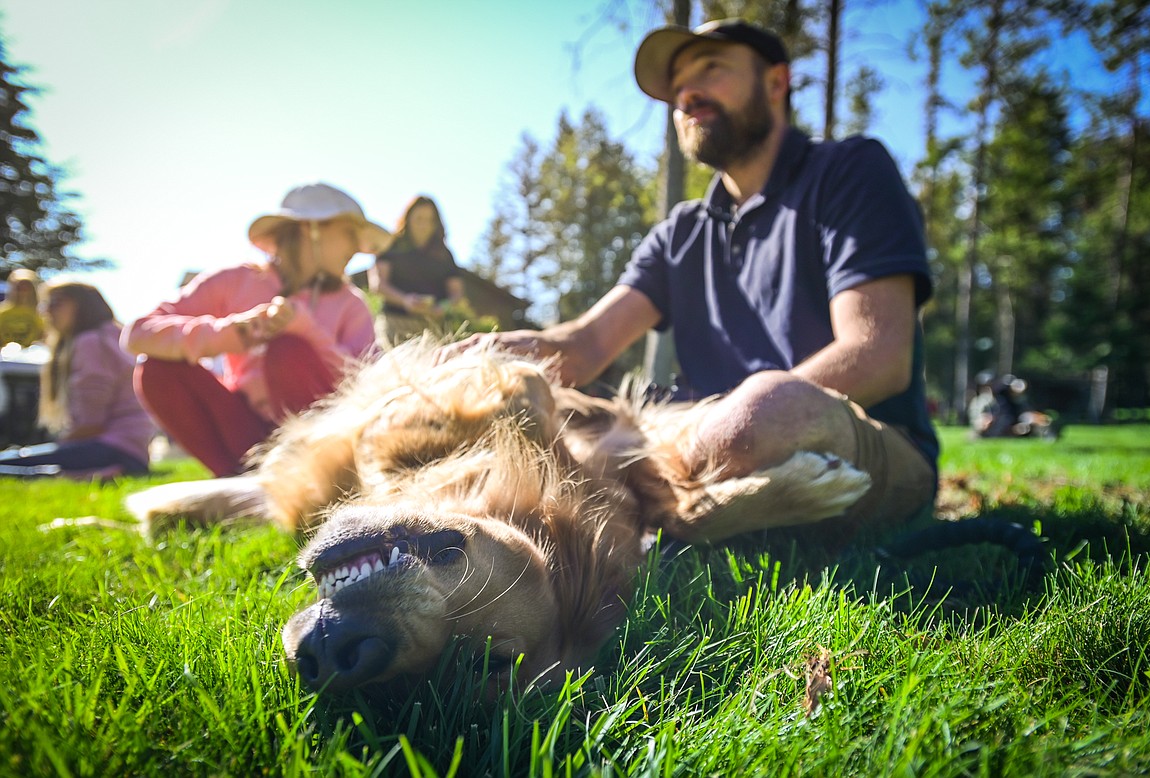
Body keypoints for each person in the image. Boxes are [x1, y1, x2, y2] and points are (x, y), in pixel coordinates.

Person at [444, 19, 939, 543]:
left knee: (764, 412)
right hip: (699, 444)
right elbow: (587, 345)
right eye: (677, 88)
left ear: (776, 83)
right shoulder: (681, 231)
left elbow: (878, 354)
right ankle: (681, 506)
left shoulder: (849, 172)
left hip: (856, 439)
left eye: (710, 69)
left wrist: (708, 432)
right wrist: (490, 360)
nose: (687, 95)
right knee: (558, 421)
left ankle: (655, 505)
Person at [123, 182, 390, 477]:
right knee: (157, 367)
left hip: (321, 439)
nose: (356, 249)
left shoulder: (351, 304)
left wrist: (307, 331)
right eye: (350, 235)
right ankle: (237, 478)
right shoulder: (236, 280)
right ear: (310, 230)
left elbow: (370, 384)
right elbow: (137, 334)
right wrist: (234, 332)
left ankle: (303, 476)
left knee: (289, 349)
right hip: (243, 429)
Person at [0, 281, 153, 478]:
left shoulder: (91, 341)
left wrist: (62, 444)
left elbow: (91, 421)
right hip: (130, 450)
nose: (46, 311)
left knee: (13, 463)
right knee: (22, 461)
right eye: (45, 304)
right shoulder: (112, 335)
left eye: (56, 303)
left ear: (82, 306)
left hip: (112, 448)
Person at [368, 195, 467, 346]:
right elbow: (378, 284)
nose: (424, 225)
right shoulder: (391, 246)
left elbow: (456, 293)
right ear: (408, 219)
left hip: (432, 329)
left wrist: (443, 307)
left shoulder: (444, 254)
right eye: (419, 219)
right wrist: (405, 300)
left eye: (429, 220)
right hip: (394, 326)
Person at [0, 268, 46, 348]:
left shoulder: (42, 314)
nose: (23, 291)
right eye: (19, 287)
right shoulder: (2, 312)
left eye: (26, 287)